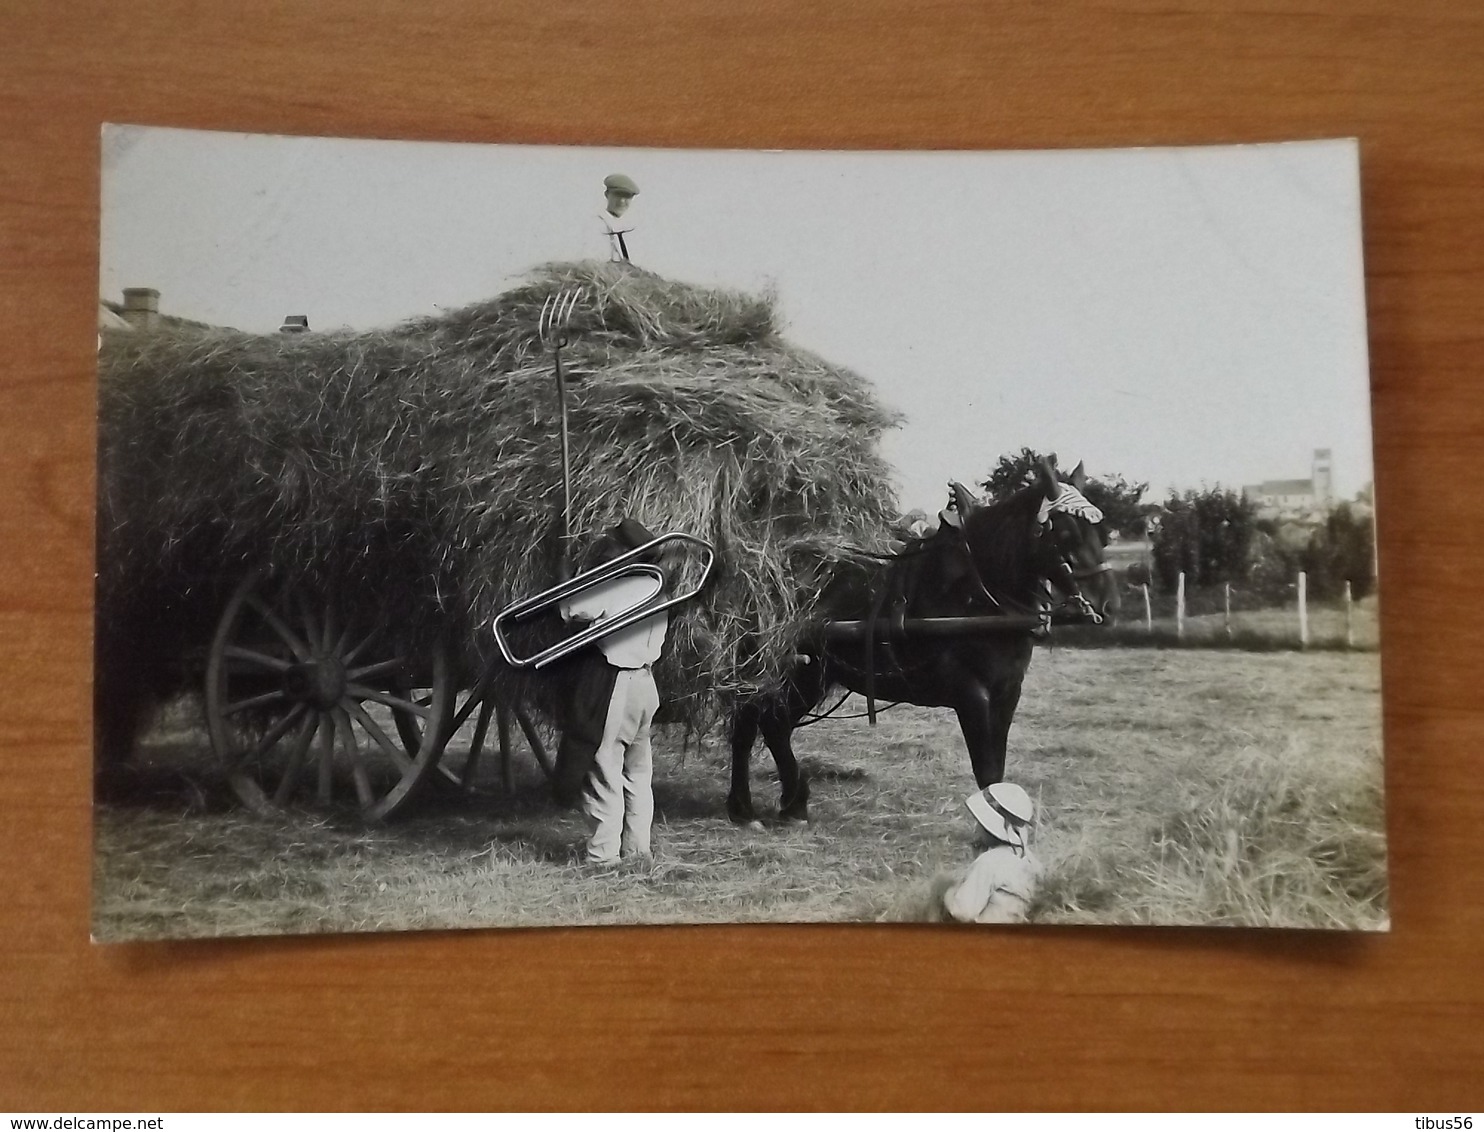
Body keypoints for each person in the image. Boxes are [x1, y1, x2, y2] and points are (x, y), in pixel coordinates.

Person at [553, 517, 667, 865]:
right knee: (638, 774)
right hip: (647, 686)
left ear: (627, 555)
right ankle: (637, 850)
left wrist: (563, 569)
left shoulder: (619, 587)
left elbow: (567, 608)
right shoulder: (659, 588)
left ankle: (603, 856)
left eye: (614, 549)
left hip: (616, 681)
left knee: (604, 769)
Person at [941, 781, 1042, 924]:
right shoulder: (1029, 859)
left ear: (989, 828)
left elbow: (962, 912)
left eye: (980, 823)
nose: (976, 828)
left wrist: (948, 893)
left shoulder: (988, 863)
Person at [599, 173, 639, 262]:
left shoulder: (632, 229)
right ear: (606, 194)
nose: (621, 201)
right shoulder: (597, 225)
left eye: (627, 196)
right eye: (617, 195)